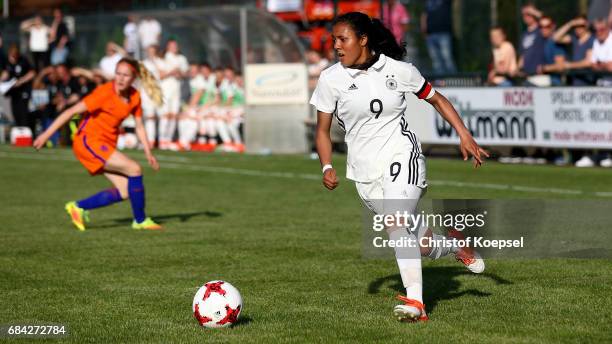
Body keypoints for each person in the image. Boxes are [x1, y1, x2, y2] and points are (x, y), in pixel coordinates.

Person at [310, 12, 488, 322]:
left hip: (402, 155)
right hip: (364, 172)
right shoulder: (330, 79)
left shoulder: (399, 70)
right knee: (419, 242)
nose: (336, 46)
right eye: (334, 40)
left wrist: (464, 134)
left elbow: (436, 98)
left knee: (395, 222)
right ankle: (456, 247)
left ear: (363, 40)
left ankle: (416, 303)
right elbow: (322, 130)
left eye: (343, 39)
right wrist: (327, 166)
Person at [33, 57, 164, 231]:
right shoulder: (104, 93)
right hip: (88, 141)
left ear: (134, 78)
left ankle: (78, 207)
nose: (120, 78)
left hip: (105, 145)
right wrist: (46, 134)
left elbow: (139, 126)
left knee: (125, 190)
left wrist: (149, 153)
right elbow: (71, 111)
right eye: (118, 74)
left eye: (125, 75)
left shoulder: (134, 96)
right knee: (134, 169)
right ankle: (140, 221)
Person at [158, 39, 188, 149]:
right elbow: (161, 75)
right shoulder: (163, 58)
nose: (174, 47)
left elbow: (185, 73)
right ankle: (162, 139)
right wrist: (172, 71)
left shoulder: (181, 59)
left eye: (175, 45)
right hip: (166, 89)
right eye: (172, 45)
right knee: (165, 114)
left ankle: (168, 140)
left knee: (174, 114)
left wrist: (179, 72)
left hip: (177, 89)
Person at [551, 15, 595, 86]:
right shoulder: (574, 38)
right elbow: (555, 38)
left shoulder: (592, 40)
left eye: (581, 25)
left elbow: (588, 62)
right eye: (576, 26)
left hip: (587, 81)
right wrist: (570, 24)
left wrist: (569, 65)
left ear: (586, 25)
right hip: (574, 81)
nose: (578, 28)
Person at [1, 44, 36, 134]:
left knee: (23, 113)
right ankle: (19, 135)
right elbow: (6, 73)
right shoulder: (7, 62)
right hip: (13, 92)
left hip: (24, 91)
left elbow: (32, 73)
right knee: (15, 113)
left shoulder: (23, 60)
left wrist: (21, 81)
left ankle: (27, 134)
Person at [421, 0, 456, 74]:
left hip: (444, 33)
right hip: (430, 34)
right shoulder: (428, 2)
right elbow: (424, 14)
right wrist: (424, 29)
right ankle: (440, 81)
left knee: (447, 57)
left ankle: (453, 78)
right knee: (436, 61)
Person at [518, 4, 546, 81]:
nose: (526, 17)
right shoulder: (524, 34)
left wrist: (532, 11)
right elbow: (522, 55)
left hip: (539, 74)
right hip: (526, 75)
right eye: (524, 15)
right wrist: (519, 69)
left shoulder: (541, 30)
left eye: (529, 14)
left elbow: (546, 19)